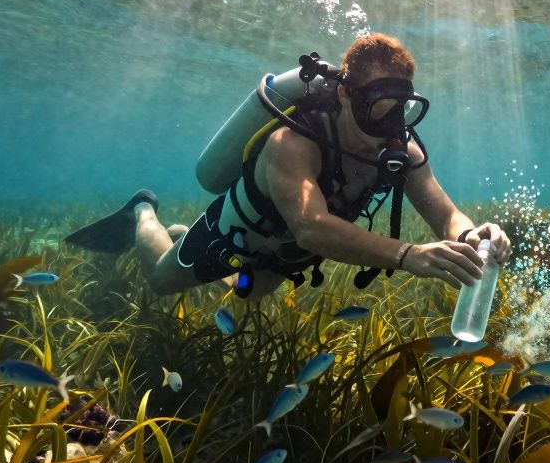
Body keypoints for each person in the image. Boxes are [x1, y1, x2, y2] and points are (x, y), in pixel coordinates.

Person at [64, 33, 511, 300]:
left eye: (402, 109)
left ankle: (185, 236)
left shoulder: (401, 148)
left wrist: (470, 235)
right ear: (345, 95)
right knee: (163, 280)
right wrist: (408, 255)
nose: (391, 124)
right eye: (379, 106)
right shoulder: (294, 142)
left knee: (248, 294)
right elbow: (311, 227)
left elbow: (444, 212)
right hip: (241, 229)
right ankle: (143, 210)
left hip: (285, 254)